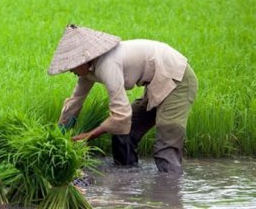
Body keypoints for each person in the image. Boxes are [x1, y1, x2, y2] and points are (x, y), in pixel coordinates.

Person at [48, 24, 198, 174]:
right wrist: (60, 133)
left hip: (177, 79)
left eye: (72, 66)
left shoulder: (108, 65)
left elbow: (121, 115)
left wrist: (89, 135)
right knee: (124, 134)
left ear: (83, 60)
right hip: (157, 83)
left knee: (166, 144)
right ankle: (128, 181)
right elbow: (75, 101)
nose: (70, 71)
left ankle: (170, 189)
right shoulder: (87, 70)